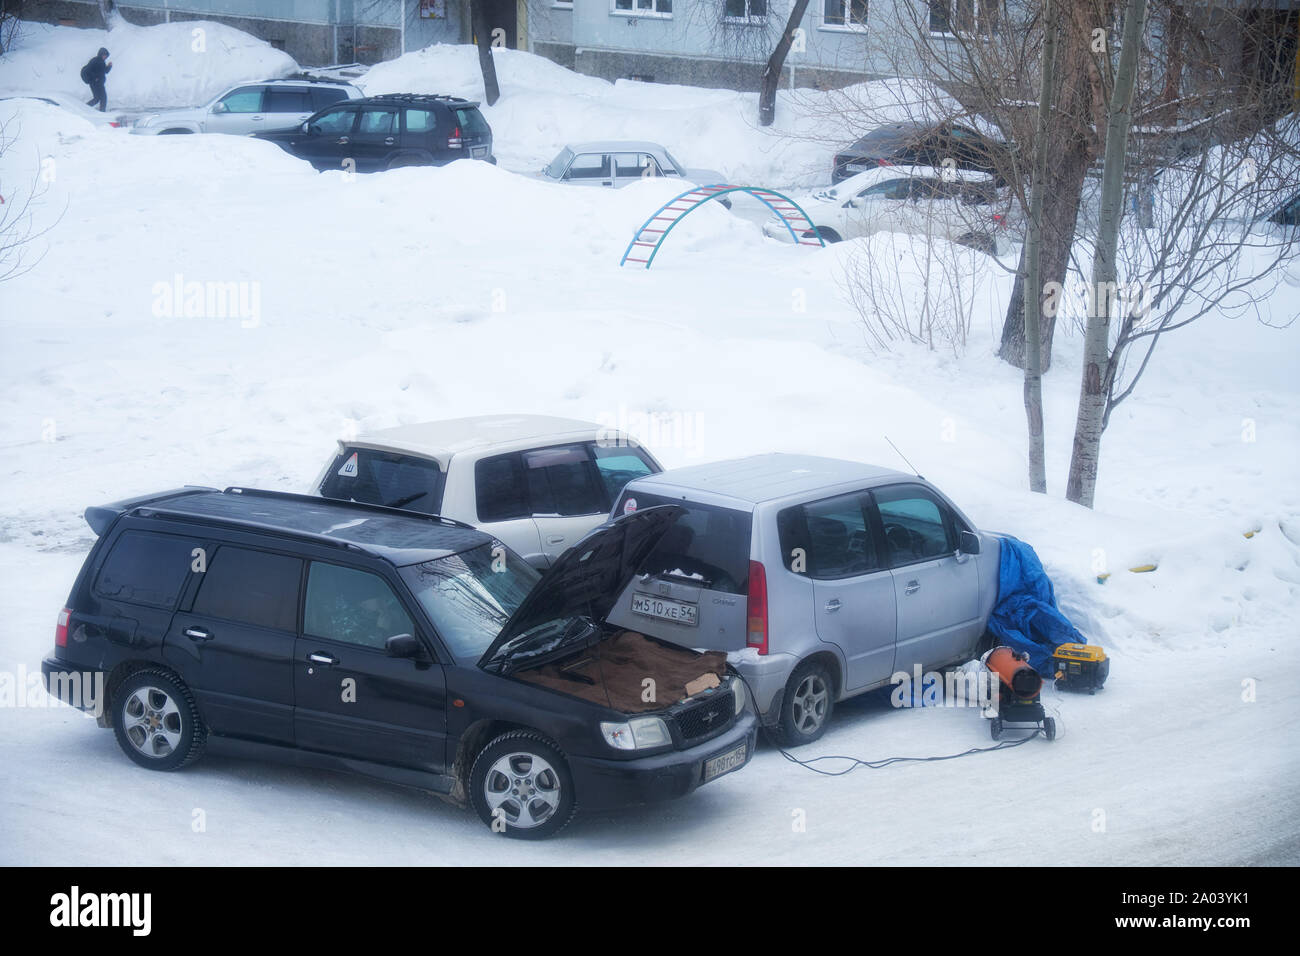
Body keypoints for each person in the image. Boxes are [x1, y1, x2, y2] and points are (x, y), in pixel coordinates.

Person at [80, 47, 112, 112]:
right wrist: (95, 78)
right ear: (101, 54)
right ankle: (101, 112)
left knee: (97, 98)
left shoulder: (101, 62)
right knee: (102, 98)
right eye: (105, 55)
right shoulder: (95, 60)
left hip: (99, 83)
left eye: (106, 56)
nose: (105, 57)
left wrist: (109, 66)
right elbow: (88, 70)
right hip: (95, 83)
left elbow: (105, 71)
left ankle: (84, 108)